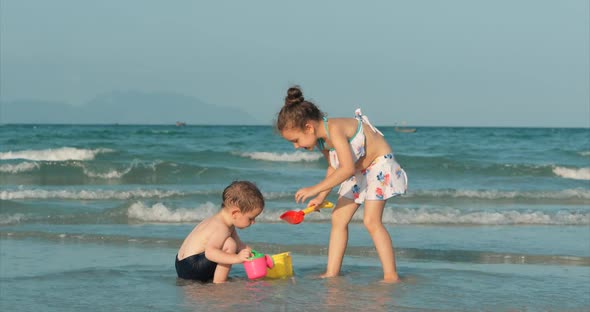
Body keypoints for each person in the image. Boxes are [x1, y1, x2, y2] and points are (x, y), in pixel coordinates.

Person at [276, 86, 408, 283]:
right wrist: (320, 198)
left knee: (371, 221)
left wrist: (315, 189)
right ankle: (332, 272)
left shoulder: (335, 129)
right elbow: (334, 167)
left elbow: (345, 170)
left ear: (309, 128)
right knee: (338, 218)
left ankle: (391, 275)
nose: (296, 146)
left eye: (296, 140)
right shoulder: (321, 141)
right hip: (358, 169)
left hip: (378, 165)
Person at [175, 180, 264, 283]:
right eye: (251, 218)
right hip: (192, 267)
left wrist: (258, 257)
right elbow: (210, 253)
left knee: (233, 243)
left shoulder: (223, 222)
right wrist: (237, 258)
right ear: (235, 213)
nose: (253, 222)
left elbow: (240, 246)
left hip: (181, 264)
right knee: (230, 244)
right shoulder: (221, 228)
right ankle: (219, 283)